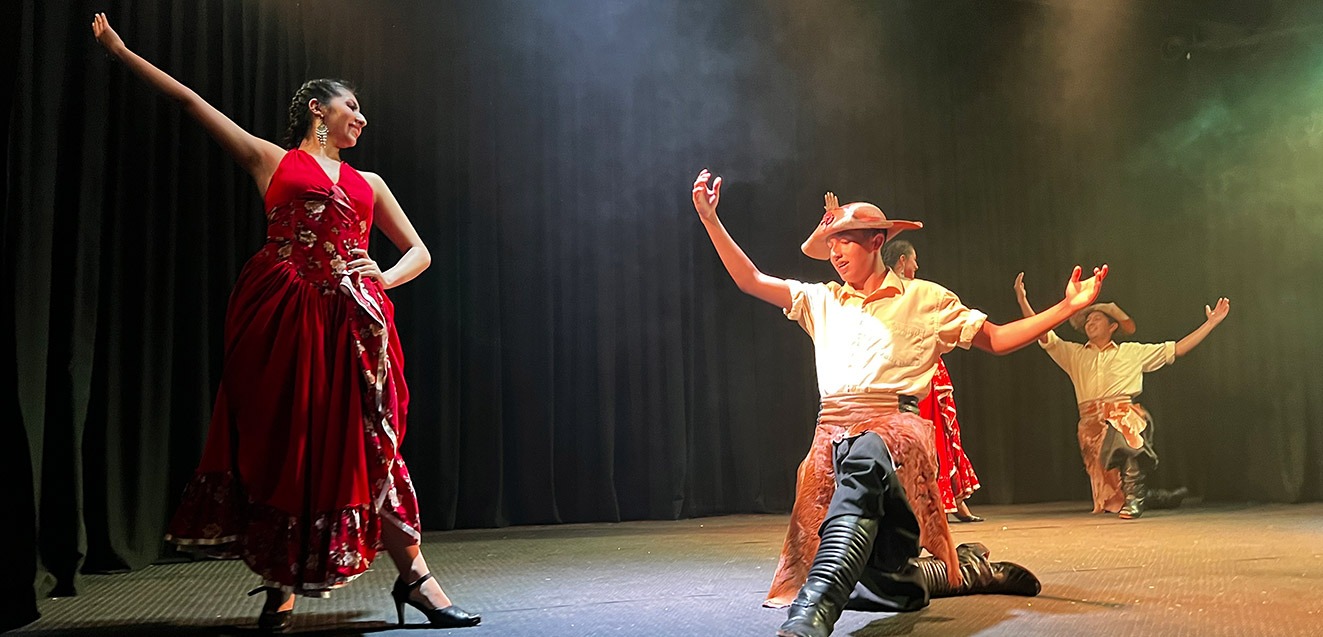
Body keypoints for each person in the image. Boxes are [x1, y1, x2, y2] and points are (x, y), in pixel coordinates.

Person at [91, 14, 478, 631]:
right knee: (291, 448)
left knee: (369, 448)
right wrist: (121, 51)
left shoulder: (368, 182)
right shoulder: (271, 160)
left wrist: (381, 275)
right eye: (352, 106)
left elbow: (420, 252)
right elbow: (191, 100)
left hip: (354, 328)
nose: (362, 118)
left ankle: (419, 582)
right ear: (318, 110)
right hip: (288, 320)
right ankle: (282, 585)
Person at [692, 170, 1104, 637]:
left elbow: (998, 339)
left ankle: (810, 614)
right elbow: (750, 279)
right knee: (887, 580)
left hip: (895, 433)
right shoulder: (821, 300)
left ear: (876, 241)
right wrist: (710, 219)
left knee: (867, 462)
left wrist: (1067, 308)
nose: (835, 252)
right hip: (830, 441)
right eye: (830, 244)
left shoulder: (925, 298)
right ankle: (962, 572)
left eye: (844, 240)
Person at [1013, 272, 1226, 519]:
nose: (1089, 323)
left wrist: (1210, 323)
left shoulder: (1132, 352)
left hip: (1123, 416)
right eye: (1087, 320)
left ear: (1112, 326)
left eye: (1096, 319)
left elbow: (1176, 349)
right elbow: (1042, 333)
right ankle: (1151, 496)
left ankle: (1136, 499)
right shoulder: (1074, 354)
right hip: (1092, 428)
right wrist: (1022, 301)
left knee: (1126, 424)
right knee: (1111, 500)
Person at [882, 241, 982, 523]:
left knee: (942, 431)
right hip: (908, 374)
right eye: (914, 261)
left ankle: (952, 501)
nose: (917, 267)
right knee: (924, 434)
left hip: (929, 367)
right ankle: (930, 504)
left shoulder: (918, 293)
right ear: (902, 261)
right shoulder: (892, 295)